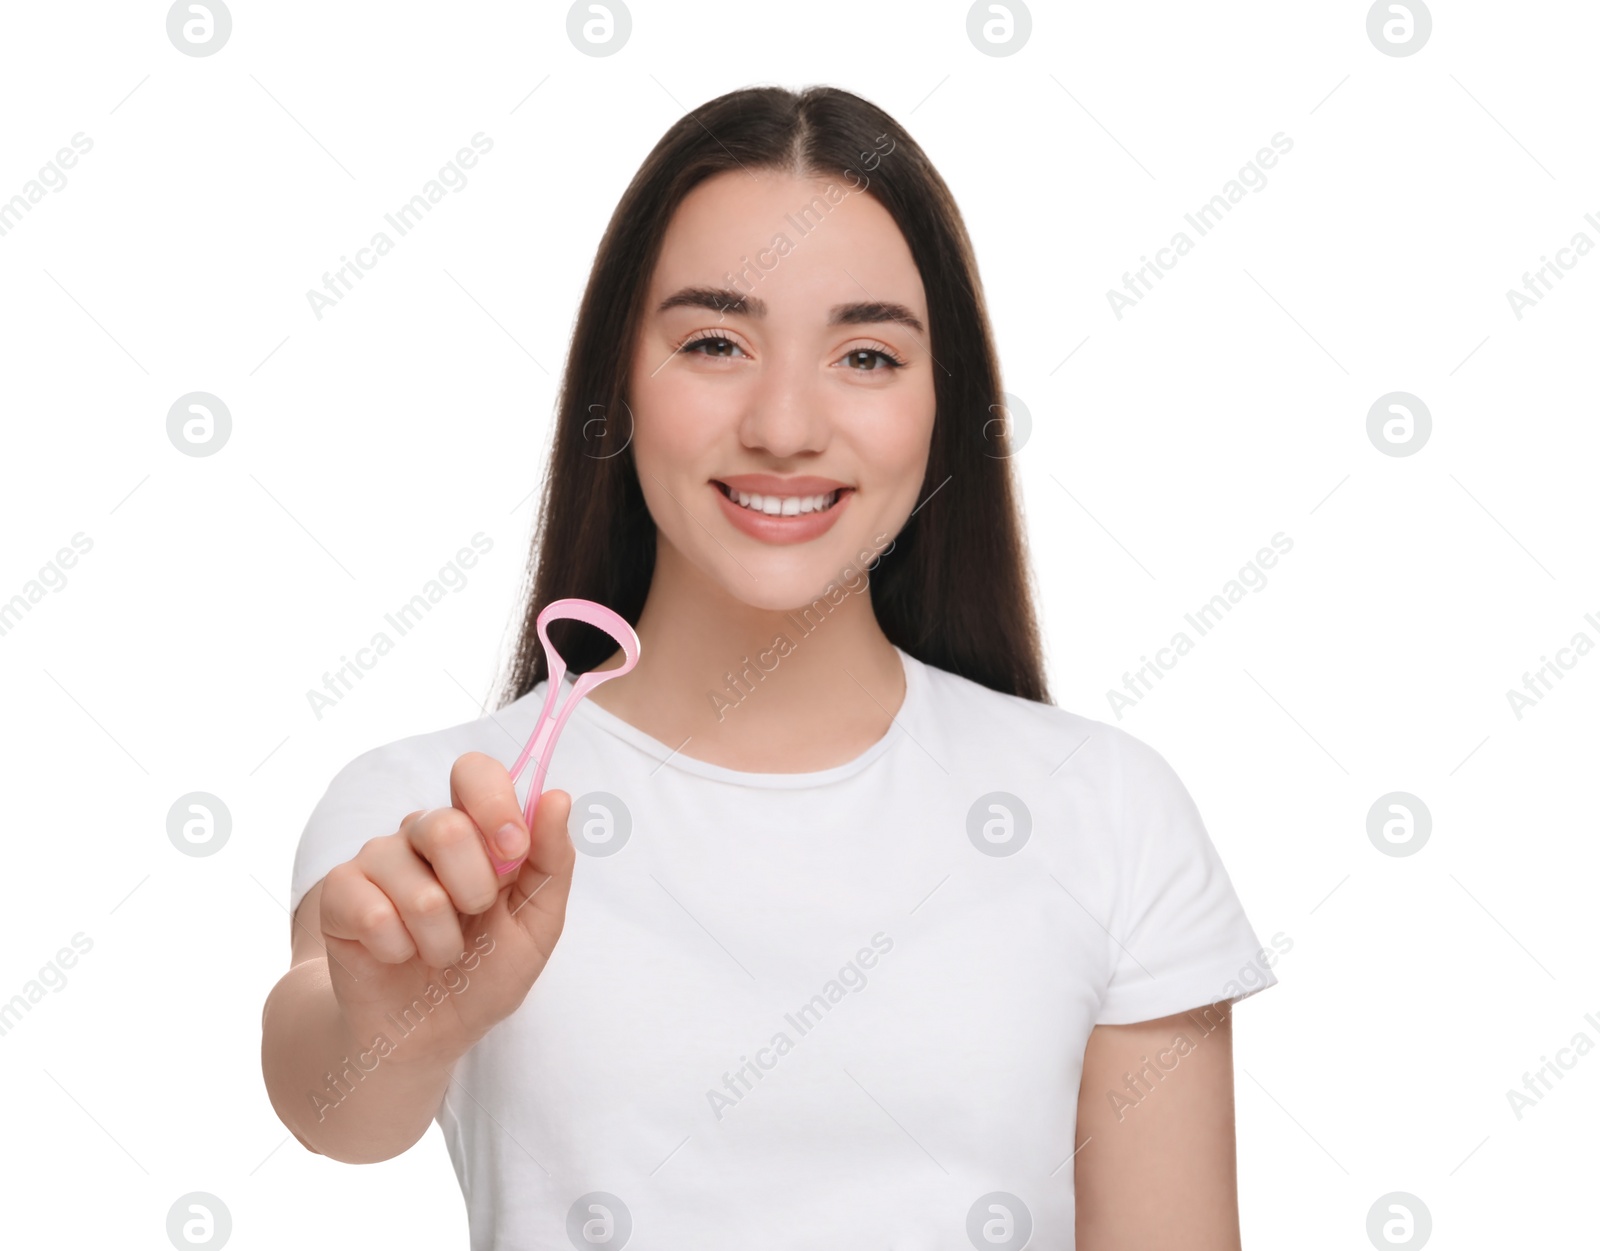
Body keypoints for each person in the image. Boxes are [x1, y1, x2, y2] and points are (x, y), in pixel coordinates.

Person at [261, 83, 1280, 1250]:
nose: (785, 424)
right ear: (617, 389)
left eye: (865, 354)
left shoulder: (1107, 812)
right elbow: (329, 1101)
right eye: (713, 343)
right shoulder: (433, 817)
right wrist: (397, 1030)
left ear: (941, 405)